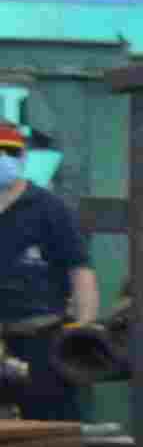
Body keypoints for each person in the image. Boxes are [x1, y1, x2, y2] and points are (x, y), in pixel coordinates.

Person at [0, 117, 87, 420]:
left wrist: (83, 331)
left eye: (9, 151)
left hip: (41, 344)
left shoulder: (50, 209)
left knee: (52, 427)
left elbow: (80, 271)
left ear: (23, 155)